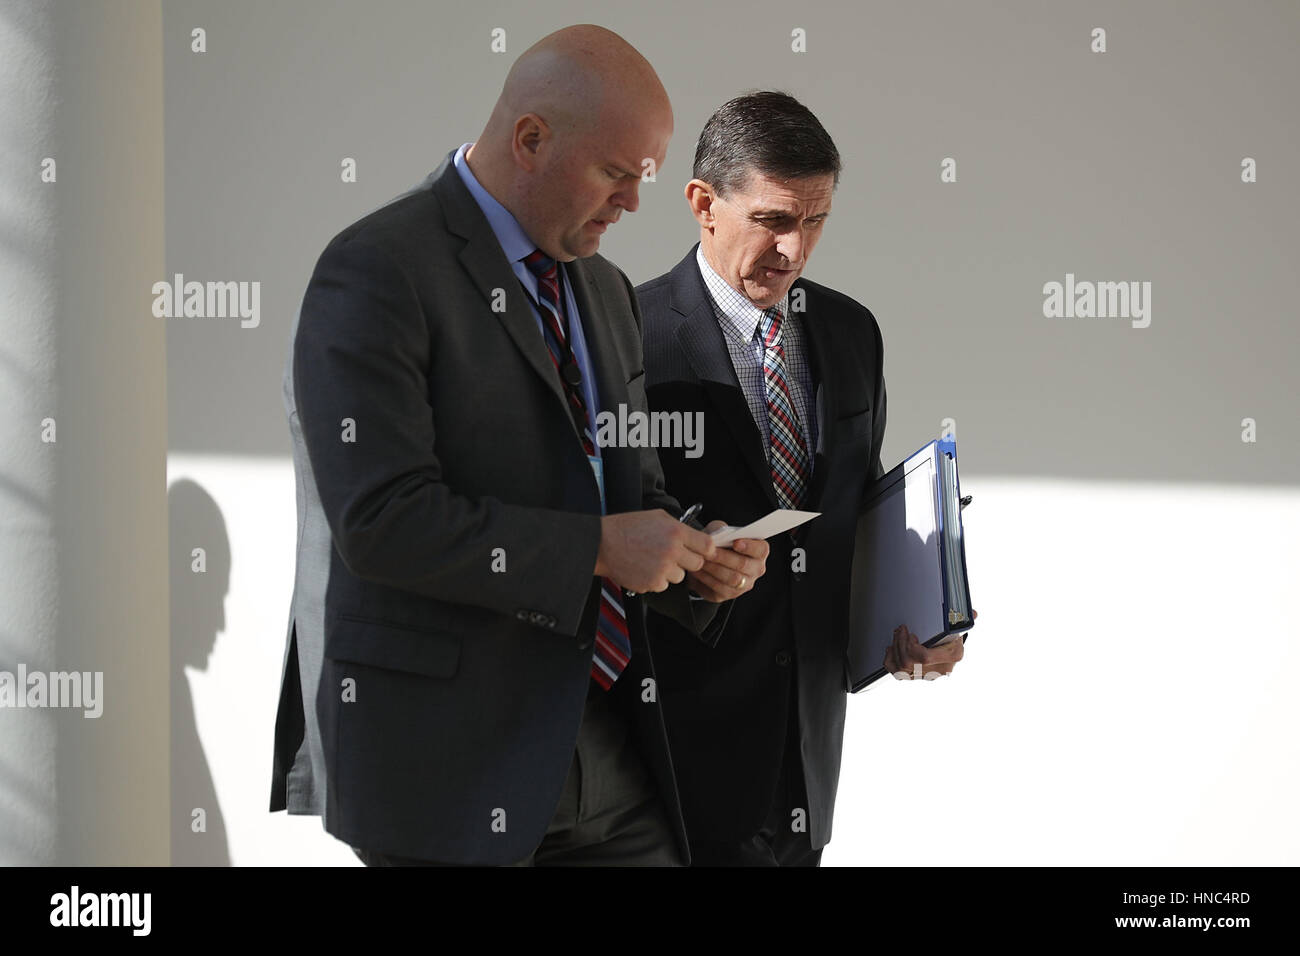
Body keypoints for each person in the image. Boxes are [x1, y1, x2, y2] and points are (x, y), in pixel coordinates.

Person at [269, 25, 768, 867]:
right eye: (616, 172)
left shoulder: (606, 292)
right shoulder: (375, 269)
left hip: (607, 751)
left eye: (643, 176)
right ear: (530, 139)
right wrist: (602, 551)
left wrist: (692, 552)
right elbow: (382, 519)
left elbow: (629, 485)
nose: (633, 202)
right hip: (444, 766)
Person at [636, 90, 967, 867]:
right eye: (774, 220)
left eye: (815, 220)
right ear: (702, 204)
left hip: (807, 757)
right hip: (670, 762)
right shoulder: (629, 334)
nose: (795, 249)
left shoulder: (851, 331)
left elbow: (859, 505)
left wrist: (926, 614)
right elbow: (600, 536)